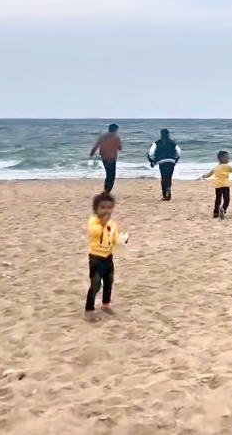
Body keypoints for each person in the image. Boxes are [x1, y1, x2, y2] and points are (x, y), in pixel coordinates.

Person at [85, 192, 128, 322]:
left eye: (109, 208)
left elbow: (114, 240)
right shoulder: (93, 222)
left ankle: (105, 304)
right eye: (102, 208)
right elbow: (94, 233)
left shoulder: (112, 224)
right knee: (96, 284)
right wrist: (102, 224)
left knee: (109, 282)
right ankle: (89, 309)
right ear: (96, 209)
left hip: (108, 258)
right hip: (95, 258)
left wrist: (122, 240)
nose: (106, 211)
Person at [200, 151, 232, 219]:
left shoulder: (216, 168)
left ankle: (215, 213)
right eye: (227, 157)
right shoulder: (227, 167)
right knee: (226, 199)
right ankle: (223, 209)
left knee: (218, 199)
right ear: (222, 158)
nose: (229, 159)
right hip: (225, 185)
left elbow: (209, 174)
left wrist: (204, 176)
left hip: (217, 186)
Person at [147, 129, 182, 201]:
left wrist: (152, 161)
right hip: (171, 161)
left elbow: (151, 153)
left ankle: (164, 195)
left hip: (162, 162)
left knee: (163, 177)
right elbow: (178, 152)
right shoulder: (173, 143)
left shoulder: (157, 143)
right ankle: (168, 193)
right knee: (169, 178)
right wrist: (176, 159)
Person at [89, 123, 122, 194]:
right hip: (112, 158)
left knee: (108, 174)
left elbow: (96, 146)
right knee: (111, 176)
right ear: (115, 130)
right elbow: (120, 148)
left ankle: (106, 191)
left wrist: (91, 154)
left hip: (104, 158)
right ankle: (107, 191)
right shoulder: (116, 137)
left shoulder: (102, 137)